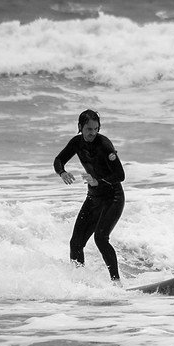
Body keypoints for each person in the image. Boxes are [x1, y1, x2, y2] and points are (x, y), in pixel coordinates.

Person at [53, 109, 126, 281]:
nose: (92, 132)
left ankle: (116, 283)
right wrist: (62, 172)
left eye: (95, 128)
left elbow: (120, 175)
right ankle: (79, 282)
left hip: (113, 198)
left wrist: (98, 181)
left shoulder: (104, 145)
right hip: (94, 198)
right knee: (76, 243)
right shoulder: (76, 143)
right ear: (80, 127)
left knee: (100, 238)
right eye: (88, 129)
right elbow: (58, 160)